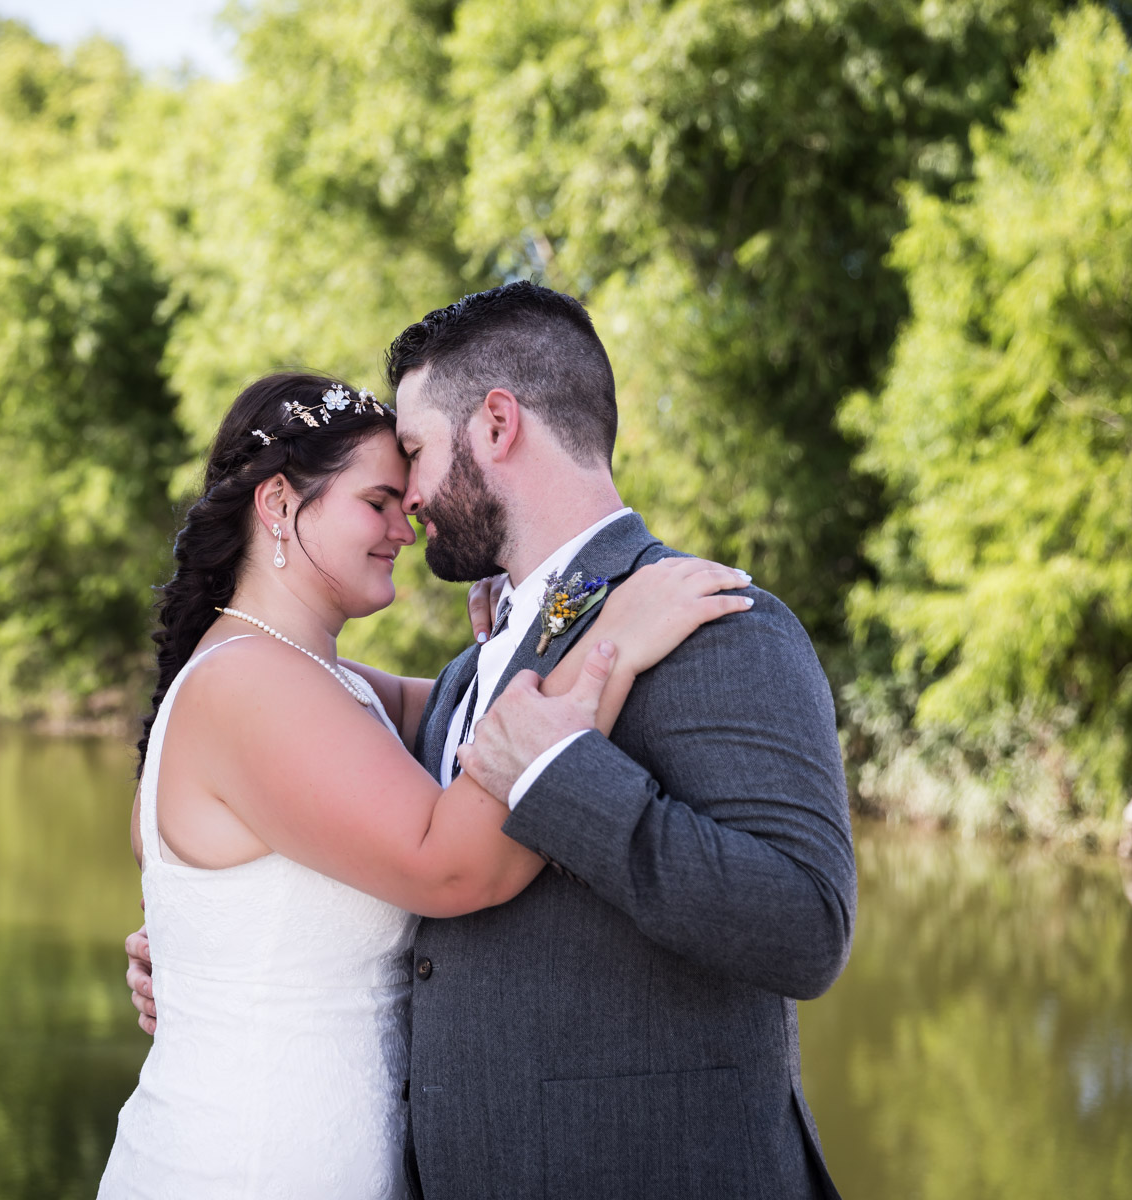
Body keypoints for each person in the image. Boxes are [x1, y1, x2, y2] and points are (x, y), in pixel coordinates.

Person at [122, 282, 857, 1199]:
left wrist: (564, 726)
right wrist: (199, 949)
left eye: (416, 459)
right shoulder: (483, 673)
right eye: (381, 494)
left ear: (497, 425)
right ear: (279, 507)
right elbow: (419, 849)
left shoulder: (712, 622)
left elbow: (805, 929)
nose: (410, 512)